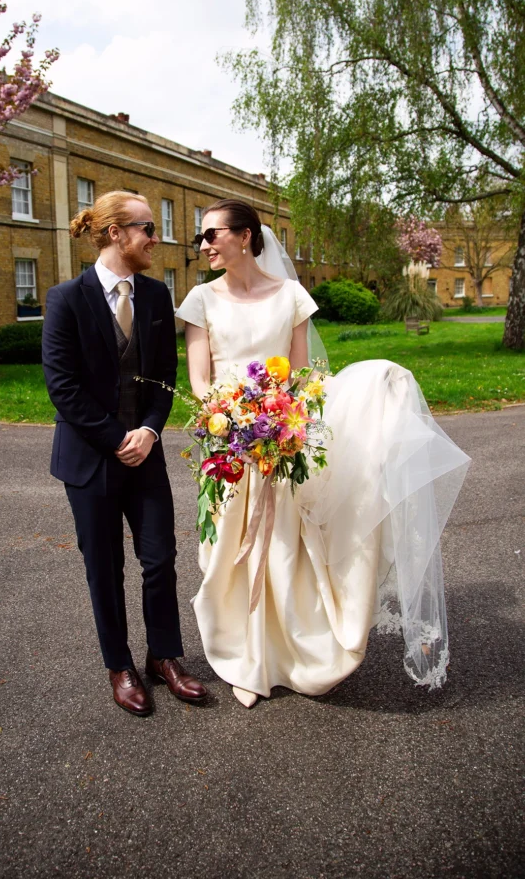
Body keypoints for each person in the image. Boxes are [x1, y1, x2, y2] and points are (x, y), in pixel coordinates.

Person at [177, 199, 470, 708]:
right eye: (201, 238)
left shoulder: (291, 295)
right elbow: (201, 381)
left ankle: (289, 653)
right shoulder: (200, 298)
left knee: (285, 549)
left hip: (281, 441)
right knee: (232, 548)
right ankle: (246, 656)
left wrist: (283, 423)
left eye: (210, 235)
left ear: (245, 236)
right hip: (230, 442)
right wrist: (237, 421)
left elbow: (304, 375)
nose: (202, 245)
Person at [42, 191, 207, 716]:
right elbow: (62, 387)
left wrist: (152, 431)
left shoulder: (157, 296)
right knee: (105, 567)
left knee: (160, 559)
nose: (155, 239)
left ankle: (164, 656)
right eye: (147, 228)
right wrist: (117, 438)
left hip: (147, 454)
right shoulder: (66, 298)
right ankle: (120, 665)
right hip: (90, 459)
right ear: (116, 232)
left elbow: (163, 377)